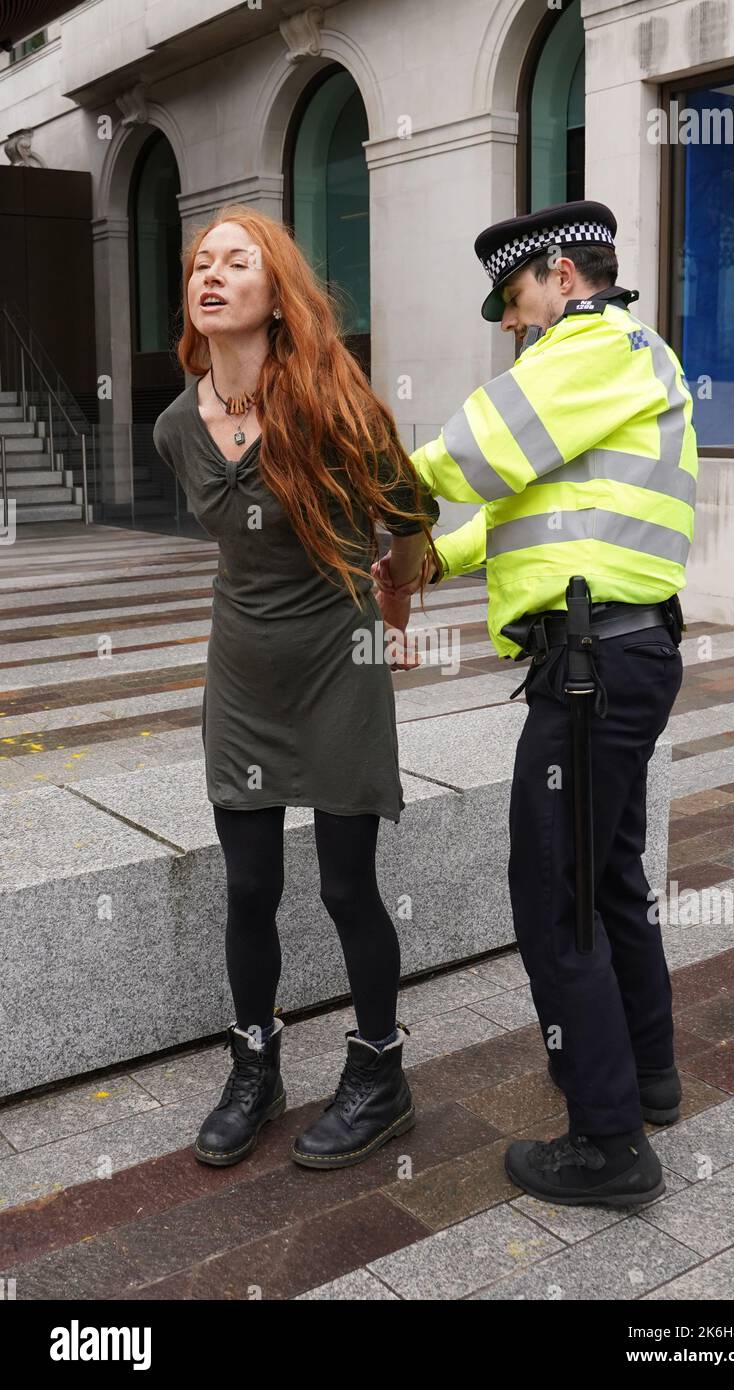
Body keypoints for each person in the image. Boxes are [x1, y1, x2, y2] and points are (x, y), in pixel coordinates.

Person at [374, 199, 698, 1207]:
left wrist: (382, 500)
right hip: (619, 653)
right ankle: (646, 1076)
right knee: (605, 882)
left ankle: (607, 1144)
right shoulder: (624, 363)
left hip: (590, 668)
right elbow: (523, 510)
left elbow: (474, 455)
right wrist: (435, 554)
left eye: (513, 300)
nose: (511, 324)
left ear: (562, 272)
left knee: (553, 898)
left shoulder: (595, 344)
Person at [152, 204, 442, 1170]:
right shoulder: (172, 429)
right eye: (201, 262)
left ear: (278, 296)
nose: (213, 273)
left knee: (347, 884)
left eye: (237, 261)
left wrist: (392, 620)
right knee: (247, 886)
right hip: (241, 672)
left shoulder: (332, 404)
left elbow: (408, 517)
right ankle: (255, 1063)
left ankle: (379, 1069)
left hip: (337, 664)